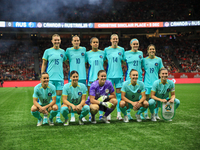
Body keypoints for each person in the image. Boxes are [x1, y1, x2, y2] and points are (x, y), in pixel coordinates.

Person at [41, 34, 67, 124]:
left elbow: (66, 61)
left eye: (58, 40)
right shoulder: (47, 51)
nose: (57, 41)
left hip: (59, 78)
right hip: (49, 79)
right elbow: (44, 64)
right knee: (48, 98)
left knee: (58, 99)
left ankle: (58, 117)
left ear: (60, 41)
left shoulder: (63, 52)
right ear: (52, 41)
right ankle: (45, 117)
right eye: (55, 40)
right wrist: (42, 76)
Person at [65, 35, 87, 122]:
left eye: (78, 40)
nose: (76, 42)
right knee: (71, 96)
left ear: (80, 41)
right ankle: (72, 115)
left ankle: (82, 115)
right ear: (72, 42)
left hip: (82, 76)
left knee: (82, 96)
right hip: (72, 76)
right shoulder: (68, 50)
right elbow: (66, 60)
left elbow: (85, 60)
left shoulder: (84, 49)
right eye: (75, 41)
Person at [104, 34, 125, 121]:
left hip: (119, 76)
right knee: (109, 96)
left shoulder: (122, 49)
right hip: (110, 76)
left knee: (119, 96)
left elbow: (123, 61)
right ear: (110, 40)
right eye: (113, 39)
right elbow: (104, 61)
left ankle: (119, 115)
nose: (115, 40)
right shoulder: (106, 50)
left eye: (116, 39)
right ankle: (108, 115)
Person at [141, 44, 164, 120]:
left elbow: (162, 70)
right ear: (147, 51)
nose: (152, 50)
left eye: (153, 49)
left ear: (155, 50)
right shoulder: (144, 60)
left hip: (156, 83)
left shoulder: (159, 60)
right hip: (146, 83)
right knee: (146, 99)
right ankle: (145, 114)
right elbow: (139, 68)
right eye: (150, 49)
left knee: (156, 100)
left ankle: (156, 114)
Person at [86, 37, 106, 121]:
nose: (95, 44)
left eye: (97, 42)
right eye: (94, 42)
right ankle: (92, 115)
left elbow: (104, 62)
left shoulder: (102, 53)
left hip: (101, 79)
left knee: (102, 97)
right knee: (92, 98)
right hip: (91, 78)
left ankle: (101, 114)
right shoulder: (87, 54)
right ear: (90, 44)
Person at [124, 38, 143, 120]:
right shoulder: (126, 53)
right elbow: (123, 62)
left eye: (137, 44)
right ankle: (128, 113)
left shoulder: (140, 53)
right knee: (128, 95)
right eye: (134, 44)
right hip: (129, 77)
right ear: (131, 44)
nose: (135, 45)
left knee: (140, 95)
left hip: (139, 77)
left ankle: (140, 113)